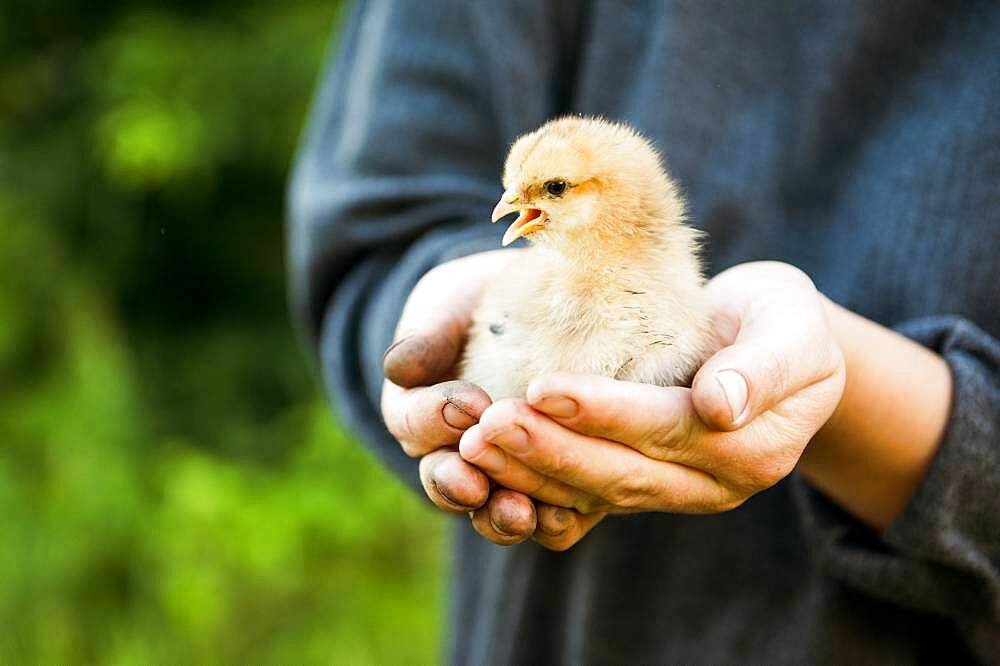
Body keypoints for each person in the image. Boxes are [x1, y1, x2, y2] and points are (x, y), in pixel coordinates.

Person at [288, 1, 999, 662]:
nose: (515, 206)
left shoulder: (659, 287)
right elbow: (376, 229)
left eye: (552, 191)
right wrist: (431, 303)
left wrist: (843, 388)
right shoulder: (535, 280)